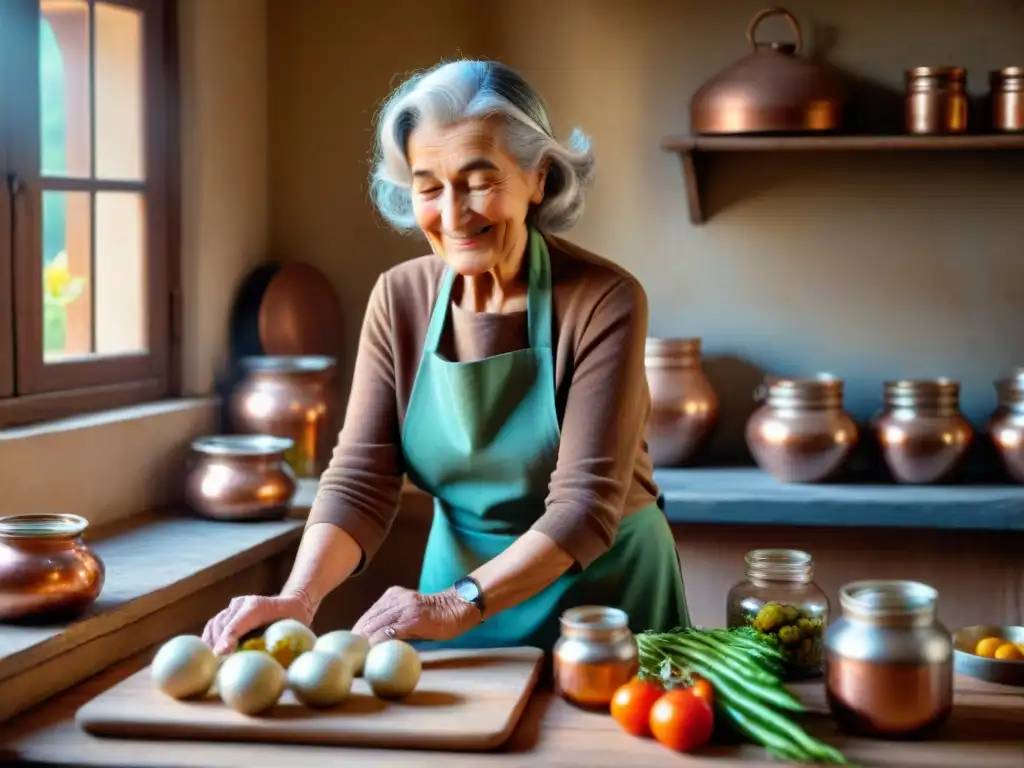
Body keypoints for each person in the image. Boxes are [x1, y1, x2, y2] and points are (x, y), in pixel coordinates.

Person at [203, 59, 690, 655]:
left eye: (480, 180)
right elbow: (361, 479)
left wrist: (455, 602)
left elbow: (584, 507)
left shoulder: (604, 300)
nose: (454, 214)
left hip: (603, 614)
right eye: (430, 187)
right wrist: (298, 599)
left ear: (538, 178)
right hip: (453, 613)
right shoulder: (398, 298)